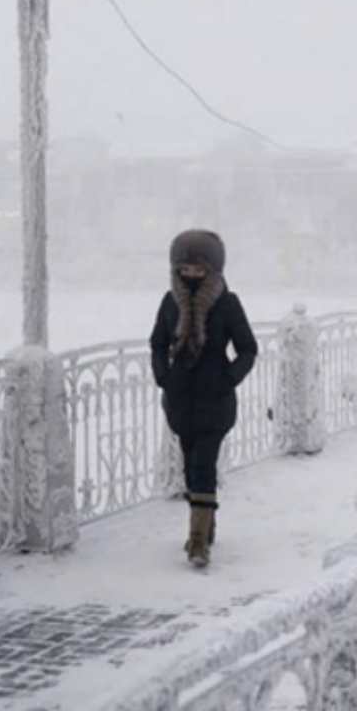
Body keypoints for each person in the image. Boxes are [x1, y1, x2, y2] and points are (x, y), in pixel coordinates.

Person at [149, 229, 257, 568]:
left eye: (199, 268)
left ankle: (197, 542)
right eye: (186, 268)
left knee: (203, 465)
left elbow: (247, 349)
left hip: (215, 400)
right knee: (189, 466)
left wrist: (228, 378)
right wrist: (163, 376)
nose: (192, 274)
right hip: (181, 400)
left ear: (213, 268)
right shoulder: (170, 303)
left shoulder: (227, 303)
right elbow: (157, 343)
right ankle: (206, 525)